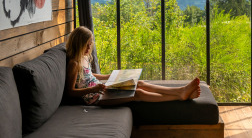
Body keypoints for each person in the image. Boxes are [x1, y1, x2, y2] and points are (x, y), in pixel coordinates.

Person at [65, 26, 201, 106]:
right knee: (138, 93)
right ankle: (179, 96)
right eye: (87, 44)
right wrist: (93, 89)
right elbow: (70, 92)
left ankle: (180, 90)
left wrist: (107, 76)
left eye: (91, 43)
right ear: (78, 43)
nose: (90, 47)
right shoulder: (74, 63)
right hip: (95, 99)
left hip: (100, 89)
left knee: (139, 82)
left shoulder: (83, 57)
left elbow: (88, 75)